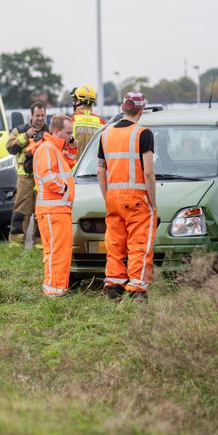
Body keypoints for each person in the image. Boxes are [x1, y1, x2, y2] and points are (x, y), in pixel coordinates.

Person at [97, 91, 156, 302]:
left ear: (123, 108)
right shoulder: (143, 133)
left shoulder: (106, 134)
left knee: (114, 244)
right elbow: (148, 172)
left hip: (113, 197)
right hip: (138, 198)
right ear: (141, 110)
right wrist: (152, 200)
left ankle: (113, 284)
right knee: (139, 244)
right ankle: (137, 289)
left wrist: (108, 197)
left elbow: (100, 171)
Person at [33, 114, 78, 297]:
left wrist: (72, 148)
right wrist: (66, 190)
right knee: (56, 253)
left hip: (57, 210)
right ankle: (54, 291)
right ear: (57, 130)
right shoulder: (47, 148)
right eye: (67, 132)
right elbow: (49, 177)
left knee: (60, 252)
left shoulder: (55, 148)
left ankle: (57, 289)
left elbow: (69, 165)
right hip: (53, 210)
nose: (70, 136)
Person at [5, 101, 48, 248]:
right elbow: (10, 148)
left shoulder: (49, 131)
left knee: (41, 212)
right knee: (21, 211)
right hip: (25, 179)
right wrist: (26, 136)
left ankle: (40, 243)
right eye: (38, 115)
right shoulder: (20, 130)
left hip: (43, 179)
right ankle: (16, 242)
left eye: (43, 115)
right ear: (31, 115)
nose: (40, 118)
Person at [70, 85, 107, 157]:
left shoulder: (70, 121)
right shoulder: (102, 122)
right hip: (94, 167)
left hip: (74, 167)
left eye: (75, 99)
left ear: (79, 101)